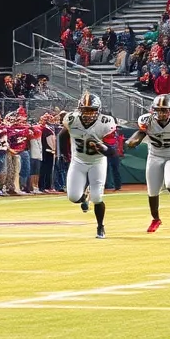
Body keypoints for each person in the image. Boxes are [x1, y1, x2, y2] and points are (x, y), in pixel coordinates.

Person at [126, 94, 170, 233]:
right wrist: (132, 141)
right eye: (158, 110)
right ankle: (156, 219)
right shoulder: (147, 121)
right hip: (155, 156)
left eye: (164, 110)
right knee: (152, 191)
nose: (161, 113)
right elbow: (138, 135)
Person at [61, 91, 115, 239]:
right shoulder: (72, 119)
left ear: (98, 111)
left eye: (91, 110)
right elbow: (62, 135)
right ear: (80, 109)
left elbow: (112, 151)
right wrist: (64, 154)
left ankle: (100, 226)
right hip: (78, 161)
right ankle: (84, 198)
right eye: (85, 110)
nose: (88, 113)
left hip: (97, 162)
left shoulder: (106, 122)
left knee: (97, 197)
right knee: (73, 197)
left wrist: (102, 147)